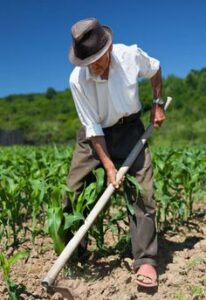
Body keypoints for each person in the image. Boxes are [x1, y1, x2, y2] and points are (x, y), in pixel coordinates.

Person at [67, 17, 165, 288]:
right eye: (87, 63)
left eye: (97, 60)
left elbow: (155, 71)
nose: (93, 67)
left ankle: (146, 259)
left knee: (143, 194)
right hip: (93, 137)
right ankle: (76, 254)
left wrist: (157, 105)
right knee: (73, 192)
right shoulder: (77, 80)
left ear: (108, 49)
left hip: (131, 128)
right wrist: (109, 166)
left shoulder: (130, 55)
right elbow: (92, 127)